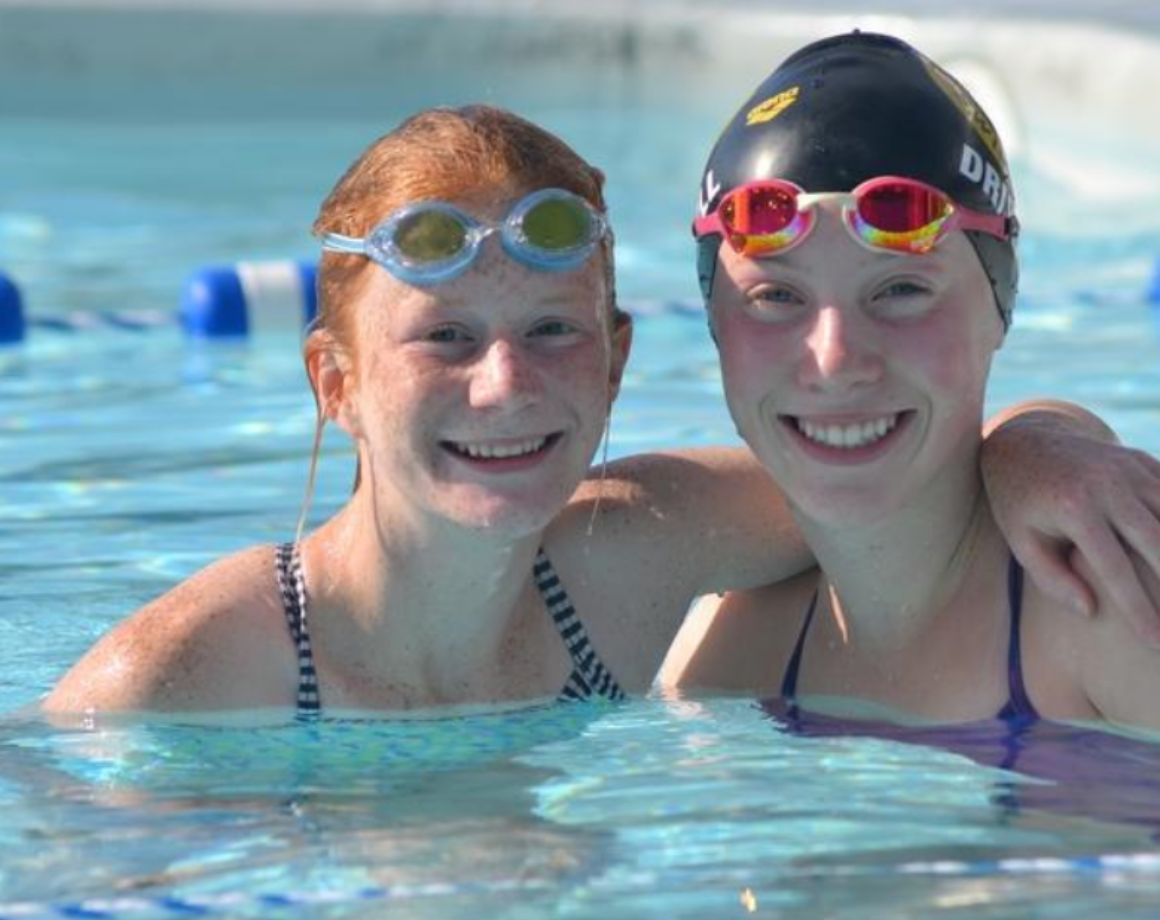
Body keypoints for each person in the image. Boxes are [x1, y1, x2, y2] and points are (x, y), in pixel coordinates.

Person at [40, 103, 1160, 721]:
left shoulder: (631, 559)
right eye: (444, 337)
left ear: (616, 361)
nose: (504, 384)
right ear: (332, 381)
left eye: (551, 331)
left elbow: (892, 462)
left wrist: (1042, 445)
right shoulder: (187, 674)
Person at [662, 31, 1160, 741]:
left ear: (999, 307)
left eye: (899, 289)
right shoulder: (727, 651)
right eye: (776, 297)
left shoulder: (1111, 604)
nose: (834, 360)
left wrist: (1041, 435)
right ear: (716, 328)